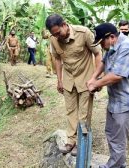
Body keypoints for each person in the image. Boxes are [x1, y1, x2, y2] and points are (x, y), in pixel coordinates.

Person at [86, 23, 129, 168]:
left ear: (111, 37)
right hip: (116, 99)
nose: (101, 47)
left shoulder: (127, 47)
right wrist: (93, 78)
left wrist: (96, 84)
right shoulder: (112, 46)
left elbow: (117, 75)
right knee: (112, 133)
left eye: (101, 43)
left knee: (117, 139)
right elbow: (104, 62)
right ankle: (121, 166)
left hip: (126, 100)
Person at [45, 14, 102, 156]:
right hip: (68, 80)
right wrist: (59, 80)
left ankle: (81, 142)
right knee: (70, 111)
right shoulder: (54, 39)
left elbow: (98, 53)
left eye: (58, 33)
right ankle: (71, 140)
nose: (57, 37)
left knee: (84, 113)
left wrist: (96, 78)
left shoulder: (84, 33)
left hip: (85, 79)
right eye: (54, 34)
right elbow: (57, 59)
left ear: (64, 24)